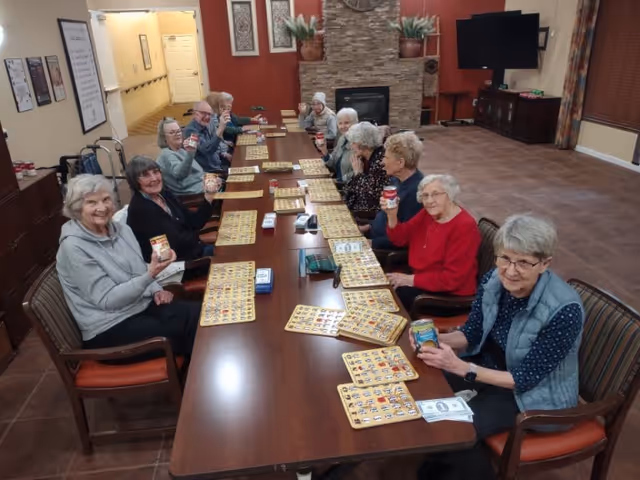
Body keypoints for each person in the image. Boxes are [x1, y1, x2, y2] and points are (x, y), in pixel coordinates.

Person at [414, 214, 584, 480]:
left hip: (533, 396)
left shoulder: (563, 310)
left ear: (545, 264)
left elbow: (524, 380)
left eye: (524, 262)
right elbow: (472, 333)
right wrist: (437, 339)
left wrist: (462, 367)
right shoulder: (494, 280)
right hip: (489, 369)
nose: (511, 270)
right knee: (422, 390)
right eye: (505, 258)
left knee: (456, 432)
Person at [56, 174, 201, 359]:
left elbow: (139, 268)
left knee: (201, 313)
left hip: (140, 306)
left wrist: (156, 289)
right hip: (109, 327)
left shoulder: (122, 230)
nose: (102, 208)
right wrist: (150, 276)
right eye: (91, 203)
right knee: (185, 329)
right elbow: (107, 300)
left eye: (106, 199)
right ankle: (195, 383)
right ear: (76, 208)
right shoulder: (73, 248)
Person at [382, 174, 481, 311]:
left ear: (450, 195)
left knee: (390, 300)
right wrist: (391, 215)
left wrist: (410, 280)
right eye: (425, 196)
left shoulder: (464, 226)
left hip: (448, 296)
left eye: (436, 194)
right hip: (422, 280)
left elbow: (451, 279)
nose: (429, 201)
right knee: (383, 285)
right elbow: (400, 238)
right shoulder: (427, 214)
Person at [126, 155, 220, 264]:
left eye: (156, 172)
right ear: (134, 181)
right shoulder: (140, 210)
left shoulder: (164, 194)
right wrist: (195, 237)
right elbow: (169, 250)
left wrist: (208, 197)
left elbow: (194, 222)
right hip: (181, 266)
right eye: (146, 175)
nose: (154, 178)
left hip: (194, 251)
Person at [361, 131, 424, 249]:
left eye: (386, 157)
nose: (382, 162)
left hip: (383, 250)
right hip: (373, 236)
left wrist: (372, 243)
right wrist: (368, 227)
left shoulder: (417, 193)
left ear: (400, 163)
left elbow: (405, 239)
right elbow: (384, 216)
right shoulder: (395, 180)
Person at [342, 121, 388, 213]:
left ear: (362, 143)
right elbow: (351, 190)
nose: (351, 146)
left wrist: (358, 174)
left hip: (369, 213)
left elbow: (370, 197)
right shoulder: (364, 158)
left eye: (353, 143)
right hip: (358, 207)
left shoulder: (380, 160)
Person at [156, 117, 206, 196]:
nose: (178, 134)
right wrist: (190, 153)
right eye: (172, 132)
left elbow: (199, 173)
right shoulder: (166, 155)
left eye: (179, 131)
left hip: (202, 186)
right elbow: (180, 174)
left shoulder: (180, 150)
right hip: (193, 195)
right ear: (164, 137)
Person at [183, 100, 230, 172]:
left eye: (209, 114)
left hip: (218, 165)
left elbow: (215, 145)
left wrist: (223, 154)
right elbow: (207, 150)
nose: (207, 117)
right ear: (195, 113)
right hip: (208, 173)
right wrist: (221, 128)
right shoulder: (190, 131)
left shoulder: (205, 125)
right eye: (203, 113)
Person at [316, 107, 358, 183]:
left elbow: (356, 174)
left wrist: (336, 181)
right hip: (336, 180)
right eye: (340, 123)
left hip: (345, 187)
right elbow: (333, 163)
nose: (342, 127)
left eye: (346, 123)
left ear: (355, 123)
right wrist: (324, 151)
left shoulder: (358, 144)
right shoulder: (342, 139)